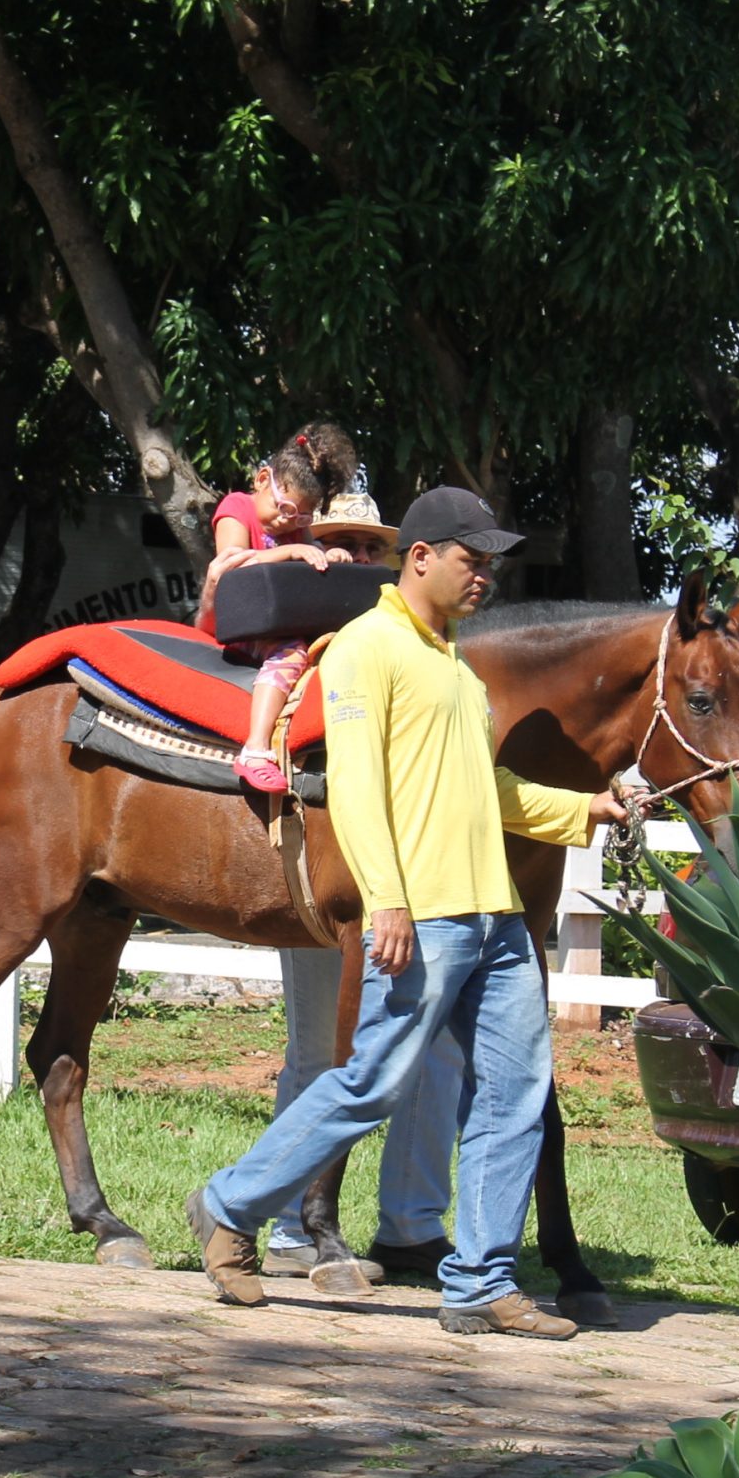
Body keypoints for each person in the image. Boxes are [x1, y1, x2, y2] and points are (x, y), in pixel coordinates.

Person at [186, 486, 628, 1339]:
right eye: (472, 560)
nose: (484, 578)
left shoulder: (456, 668)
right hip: (424, 915)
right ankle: (230, 1205)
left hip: (495, 920)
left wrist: (583, 811)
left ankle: (480, 1281)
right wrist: (385, 898)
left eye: (490, 564)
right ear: (420, 557)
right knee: (372, 1082)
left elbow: (486, 788)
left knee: (513, 1095)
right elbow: (356, 786)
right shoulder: (365, 651)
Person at [260, 488, 465, 1283]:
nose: (352, 556)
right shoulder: (310, 650)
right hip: (330, 882)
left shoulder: (425, 649)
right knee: (318, 1048)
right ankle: (285, 1226)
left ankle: (411, 1224)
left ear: (396, 557)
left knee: (436, 1051)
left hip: (421, 883)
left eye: (368, 545)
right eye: (336, 541)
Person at [197, 424, 360, 793]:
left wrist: (327, 555)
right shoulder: (236, 508)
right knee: (292, 652)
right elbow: (230, 567)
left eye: (303, 517)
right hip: (239, 626)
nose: (289, 521)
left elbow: (308, 557)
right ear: (262, 479)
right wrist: (290, 552)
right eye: (284, 507)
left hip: (276, 622)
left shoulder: (296, 529)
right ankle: (255, 749)